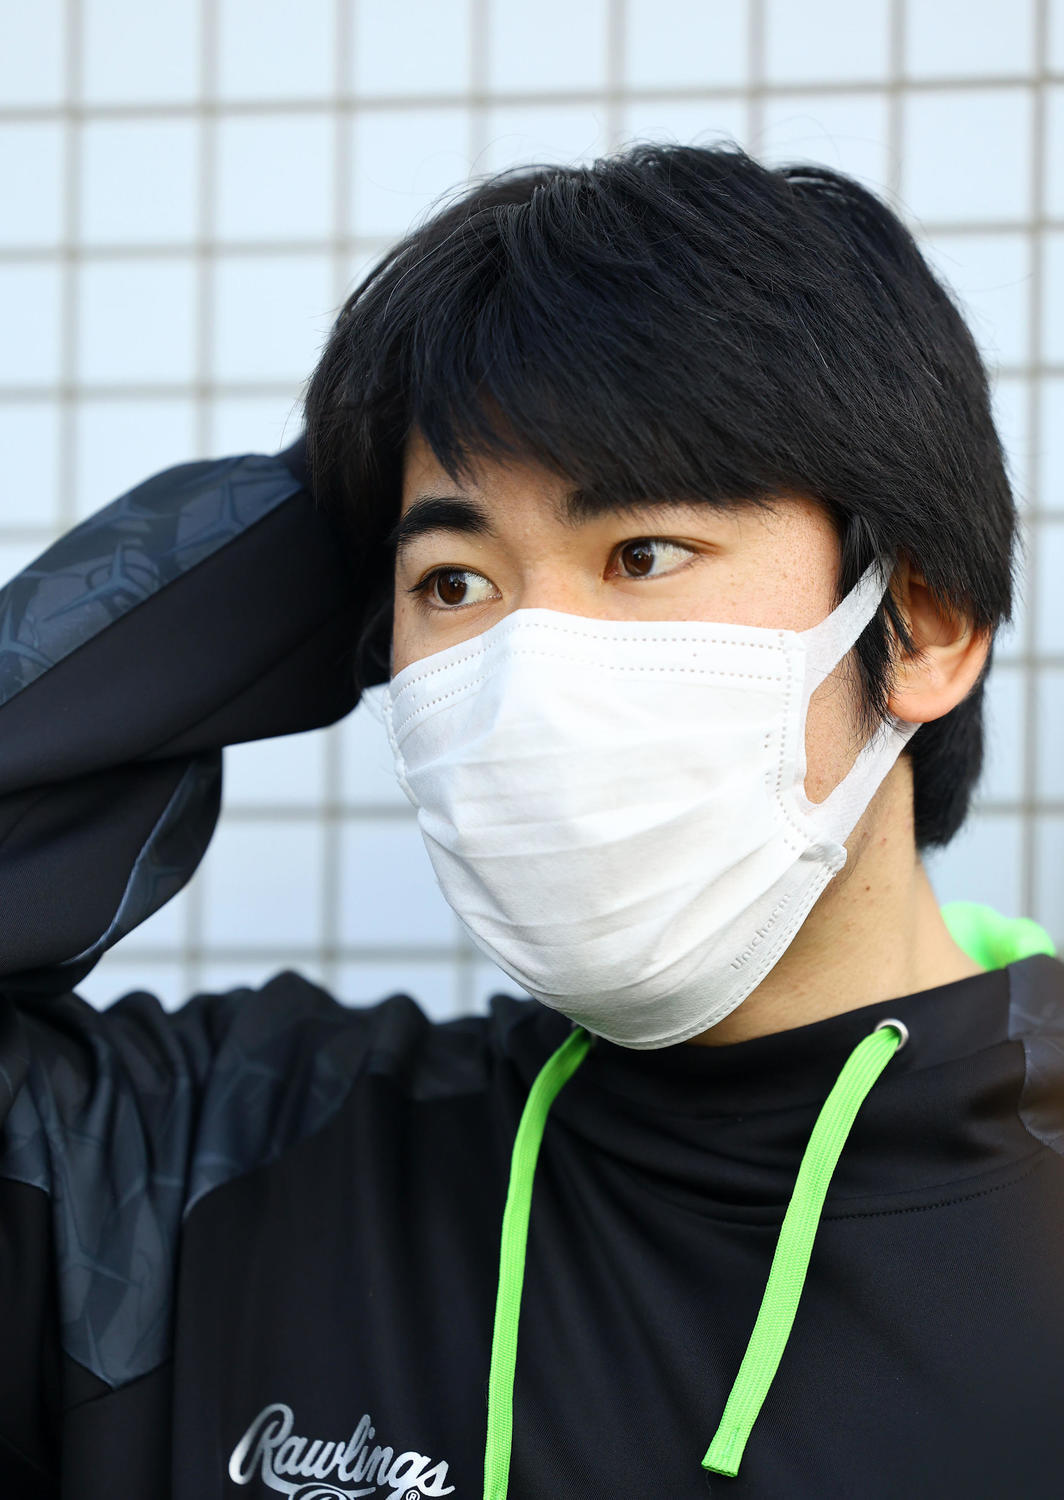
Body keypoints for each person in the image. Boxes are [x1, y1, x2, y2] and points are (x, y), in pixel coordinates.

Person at [0, 142, 1061, 1499]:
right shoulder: (192, 1171)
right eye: (453, 584)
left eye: (643, 554)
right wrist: (307, 530)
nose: (528, 677)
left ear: (924, 623)